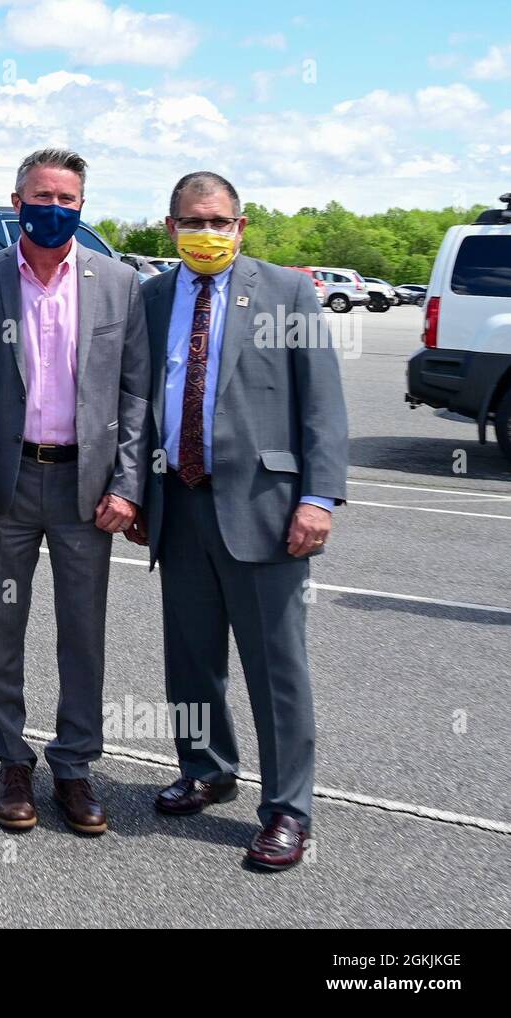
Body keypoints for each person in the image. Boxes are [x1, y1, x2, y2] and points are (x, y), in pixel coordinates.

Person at [130, 171, 348, 871]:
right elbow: (138, 401)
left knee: (276, 669)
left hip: (266, 510)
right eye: (194, 221)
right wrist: (132, 489)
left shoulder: (287, 293)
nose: (207, 233)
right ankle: (207, 768)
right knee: (191, 662)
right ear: (171, 227)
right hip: (179, 504)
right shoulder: (153, 294)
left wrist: (318, 498)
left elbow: (322, 405)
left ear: (241, 226)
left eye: (220, 221)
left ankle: (288, 809)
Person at [0, 148, 150, 835]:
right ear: (16, 202)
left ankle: (74, 766)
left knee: (83, 632)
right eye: (42, 196)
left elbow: (136, 392)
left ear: (82, 206)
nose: (55, 209)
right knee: (2, 628)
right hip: (9, 483)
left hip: (88, 485)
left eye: (68, 200)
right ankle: (11, 761)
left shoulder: (118, 282)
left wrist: (129, 484)